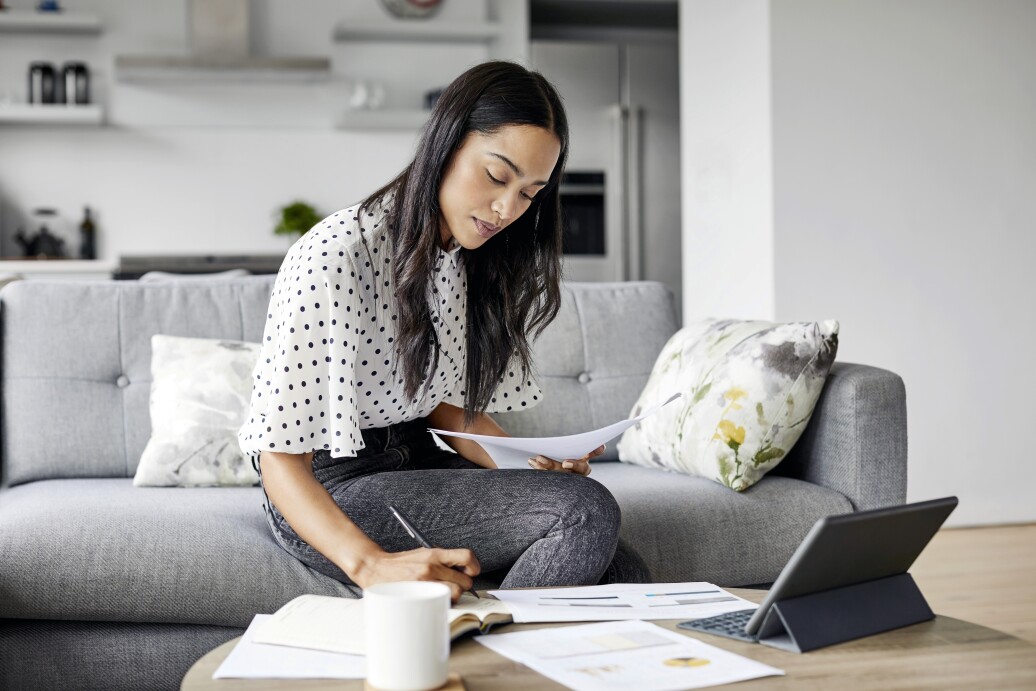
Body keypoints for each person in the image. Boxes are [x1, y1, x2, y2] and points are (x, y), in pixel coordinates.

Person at [238, 61, 649, 602]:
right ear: (445, 145)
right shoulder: (338, 255)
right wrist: (370, 566)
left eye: (530, 193)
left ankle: (497, 651)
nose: (508, 209)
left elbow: (445, 410)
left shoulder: (466, 256)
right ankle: (483, 662)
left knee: (623, 571)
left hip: (417, 460)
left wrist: (534, 465)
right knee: (585, 513)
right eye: (497, 176)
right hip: (329, 490)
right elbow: (278, 457)